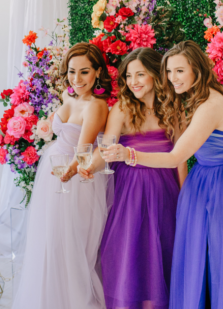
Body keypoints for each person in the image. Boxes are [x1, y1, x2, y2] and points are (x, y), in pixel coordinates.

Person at [102, 41, 223, 309]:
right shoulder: (196, 98)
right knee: (205, 262)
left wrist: (128, 155)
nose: (172, 78)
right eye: (169, 71)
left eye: (179, 71)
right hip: (207, 181)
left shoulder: (210, 105)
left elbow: (175, 157)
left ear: (197, 71)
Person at [79, 47, 188, 309]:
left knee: (161, 256)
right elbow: (105, 150)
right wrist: (86, 167)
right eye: (129, 76)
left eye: (140, 74)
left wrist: (184, 199)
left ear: (155, 76)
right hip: (129, 196)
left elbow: (181, 159)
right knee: (131, 256)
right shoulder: (122, 110)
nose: (134, 82)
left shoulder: (174, 109)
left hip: (165, 194)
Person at [11, 42, 112, 309]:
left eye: (84, 72)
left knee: (72, 244)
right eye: (72, 71)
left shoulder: (97, 106)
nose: (76, 79)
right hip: (53, 171)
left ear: (98, 72)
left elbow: (83, 151)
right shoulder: (70, 98)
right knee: (49, 239)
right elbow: (55, 129)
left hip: (76, 177)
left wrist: (65, 174)